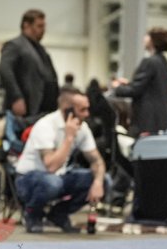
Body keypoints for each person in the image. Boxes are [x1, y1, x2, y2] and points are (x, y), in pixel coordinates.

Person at [14, 87, 107, 233]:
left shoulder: (83, 128)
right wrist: (69, 138)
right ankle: (32, 214)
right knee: (53, 182)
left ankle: (58, 214)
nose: (87, 114)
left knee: (104, 180)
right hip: (28, 180)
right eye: (82, 110)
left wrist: (98, 183)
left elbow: (97, 161)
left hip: (58, 178)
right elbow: (51, 166)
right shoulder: (45, 125)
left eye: (87, 109)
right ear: (68, 111)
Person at [110, 27, 167, 136]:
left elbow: (135, 90)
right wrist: (128, 84)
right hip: (159, 121)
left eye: (147, 35)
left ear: (152, 40)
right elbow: (151, 87)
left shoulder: (149, 62)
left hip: (146, 121)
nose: (144, 38)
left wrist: (117, 87)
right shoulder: (164, 62)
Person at [0, 9, 59, 121]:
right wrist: (16, 97)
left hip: (44, 110)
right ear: (26, 25)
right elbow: (5, 70)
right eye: (39, 26)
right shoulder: (14, 45)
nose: (43, 30)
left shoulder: (40, 49)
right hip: (26, 109)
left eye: (44, 26)